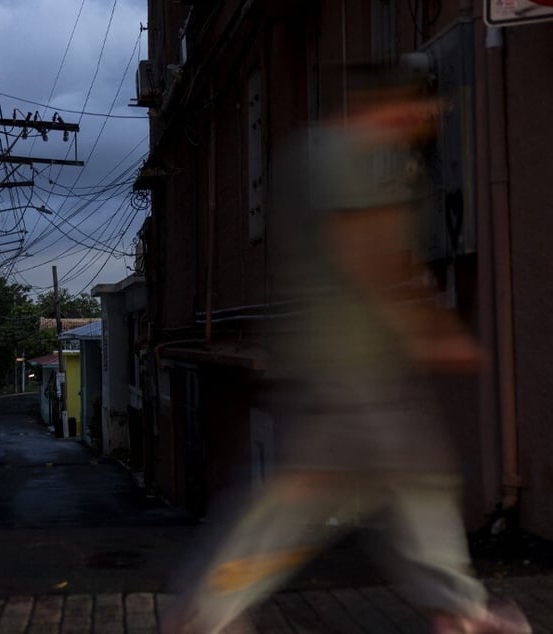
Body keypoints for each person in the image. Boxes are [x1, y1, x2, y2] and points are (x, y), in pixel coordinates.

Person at [162, 60, 531, 634]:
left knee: (399, 486)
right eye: (420, 107)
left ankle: (458, 610)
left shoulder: (316, 155)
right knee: (320, 496)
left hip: (338, 360)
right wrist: (429, 332)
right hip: (349, 362)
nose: (425, 120)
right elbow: (366, 256)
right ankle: (208, 607)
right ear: (392, 103)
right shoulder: (342, 158)